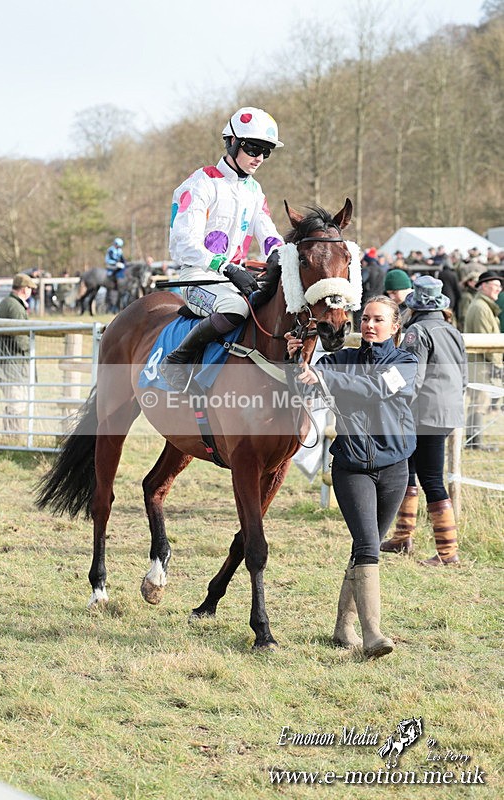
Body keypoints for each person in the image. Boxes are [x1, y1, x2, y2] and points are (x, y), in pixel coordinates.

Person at [287, 296, 418, 658]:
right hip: (351, 467)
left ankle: (343, 626)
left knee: (369, 545)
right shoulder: (339, 359)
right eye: (365, 320)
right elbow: (303, 381)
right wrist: (296, 357)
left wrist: (326, 375)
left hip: (395, 467)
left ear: (394, 327)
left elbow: (376, 390)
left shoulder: (406, 363)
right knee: (365, 544)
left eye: (378, 320)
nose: (369, 325)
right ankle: (372, 633)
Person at [159, 106, 284, 391]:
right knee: (236, 307)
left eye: (267, 151)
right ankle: (178, 359)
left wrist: (277, 252)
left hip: (234, 279)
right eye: (254, 148)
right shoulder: (200, 184)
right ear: (232, 143)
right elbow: (183, 243)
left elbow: (267, 230)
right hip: (197, 278)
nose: (260, 158)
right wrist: (224, 266)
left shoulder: (254, 190)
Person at [380, 277, 467, 566]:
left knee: (429, 478)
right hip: (447, 410)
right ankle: (403, 537)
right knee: (409, 470)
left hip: (423, 413)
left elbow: (411, 378)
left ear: (415, 304)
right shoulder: (452, 330)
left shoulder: (416, 331)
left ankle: (447, 553)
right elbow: (463, 376)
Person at [463, 271, 504, 450]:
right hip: (481, 364)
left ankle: (474, 442)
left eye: (499, 286)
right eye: (495, 286)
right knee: (478, 403)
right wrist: (498, 366)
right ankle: (474, 443)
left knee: (479, 402)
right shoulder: (481, 307)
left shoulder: (484, 306)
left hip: (482, 363)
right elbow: (486, 342)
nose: (499, 289)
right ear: (484, 286)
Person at [0, 273, 37, 431]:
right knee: (17, 403)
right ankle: (12, 436)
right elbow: (21, 339)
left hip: (7, 363)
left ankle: (10, 436)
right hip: (12, 365)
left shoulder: (6, 303)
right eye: (30, 289)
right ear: (25, 289)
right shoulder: (16, 307)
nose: (31, 292)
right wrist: (32, 343)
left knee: (15, 402)